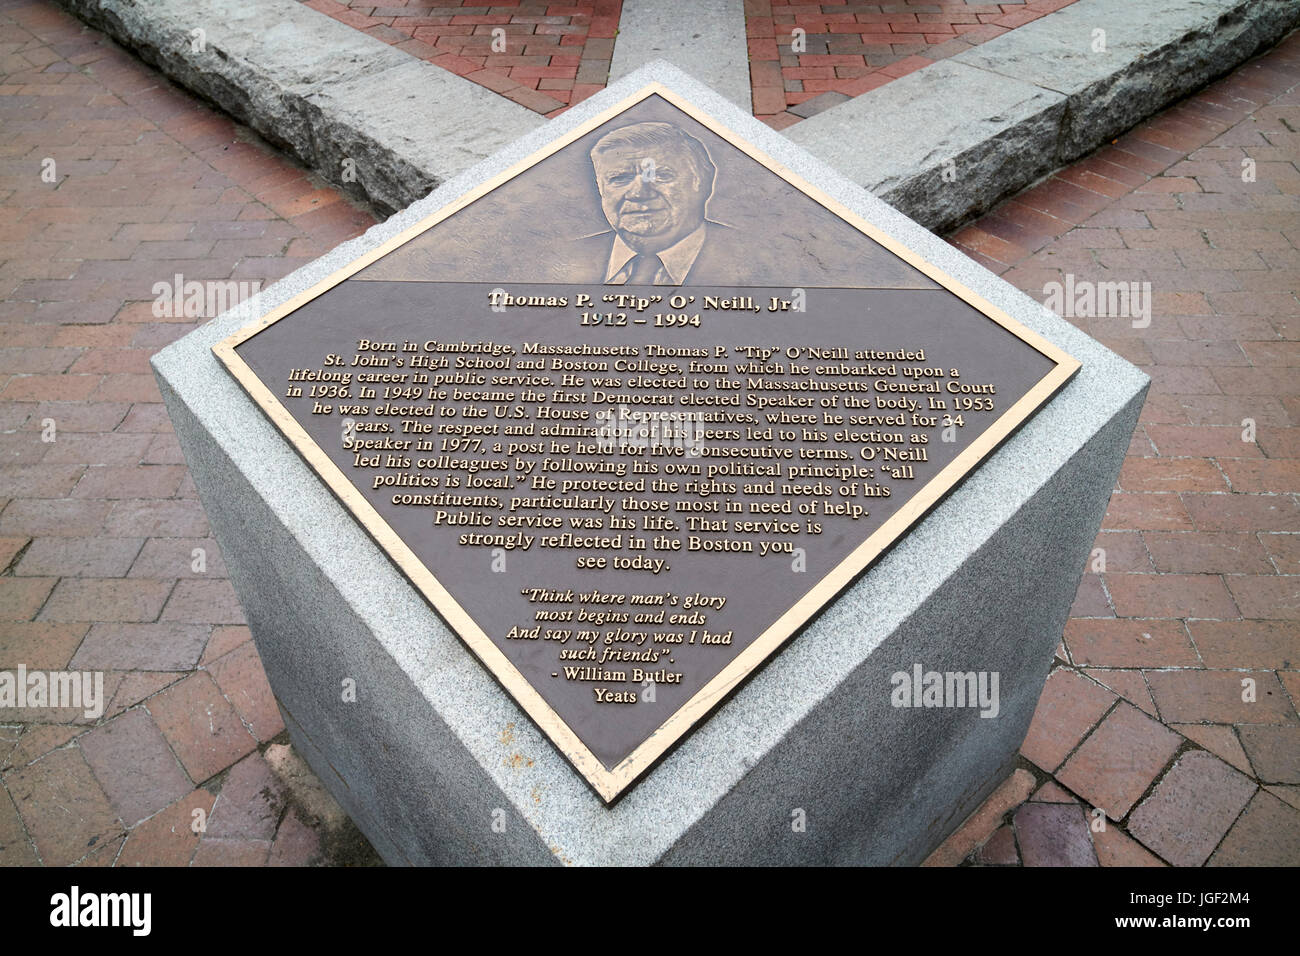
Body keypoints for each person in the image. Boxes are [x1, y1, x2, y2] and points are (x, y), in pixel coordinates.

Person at [581, 121, 744, 286]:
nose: (639, 193)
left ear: (702, 182)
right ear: (601, 188)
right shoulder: (563, 255)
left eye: (661, 176)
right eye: (620, 178)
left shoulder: (756, 256)